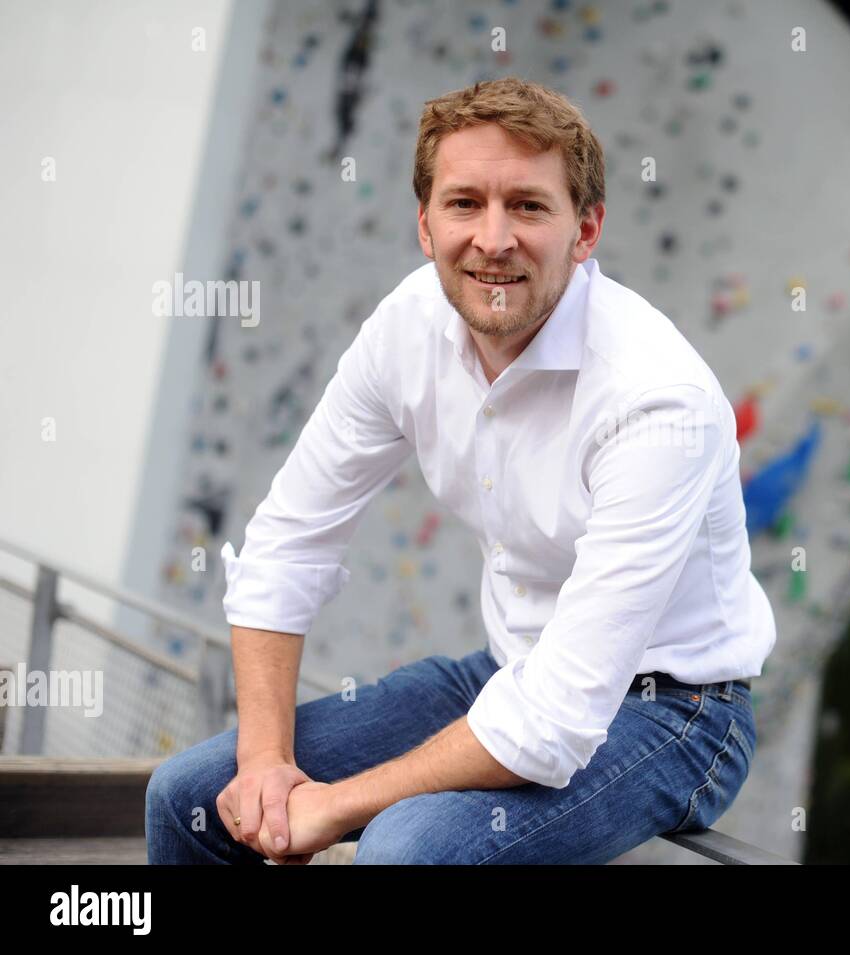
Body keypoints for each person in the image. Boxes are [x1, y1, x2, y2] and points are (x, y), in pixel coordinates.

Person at [146, 76, 776, 865]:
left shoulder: (657, 399)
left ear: (587, 231)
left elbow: (556, 714)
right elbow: (288, 544)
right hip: (510, 669)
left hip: (675, 711)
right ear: (424, 223)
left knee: (405, 851)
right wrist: (267, 763)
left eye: (529, 206)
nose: (494, 237)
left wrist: (330, 806)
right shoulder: (407, 327)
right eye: (465, 203)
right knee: (187, 797)